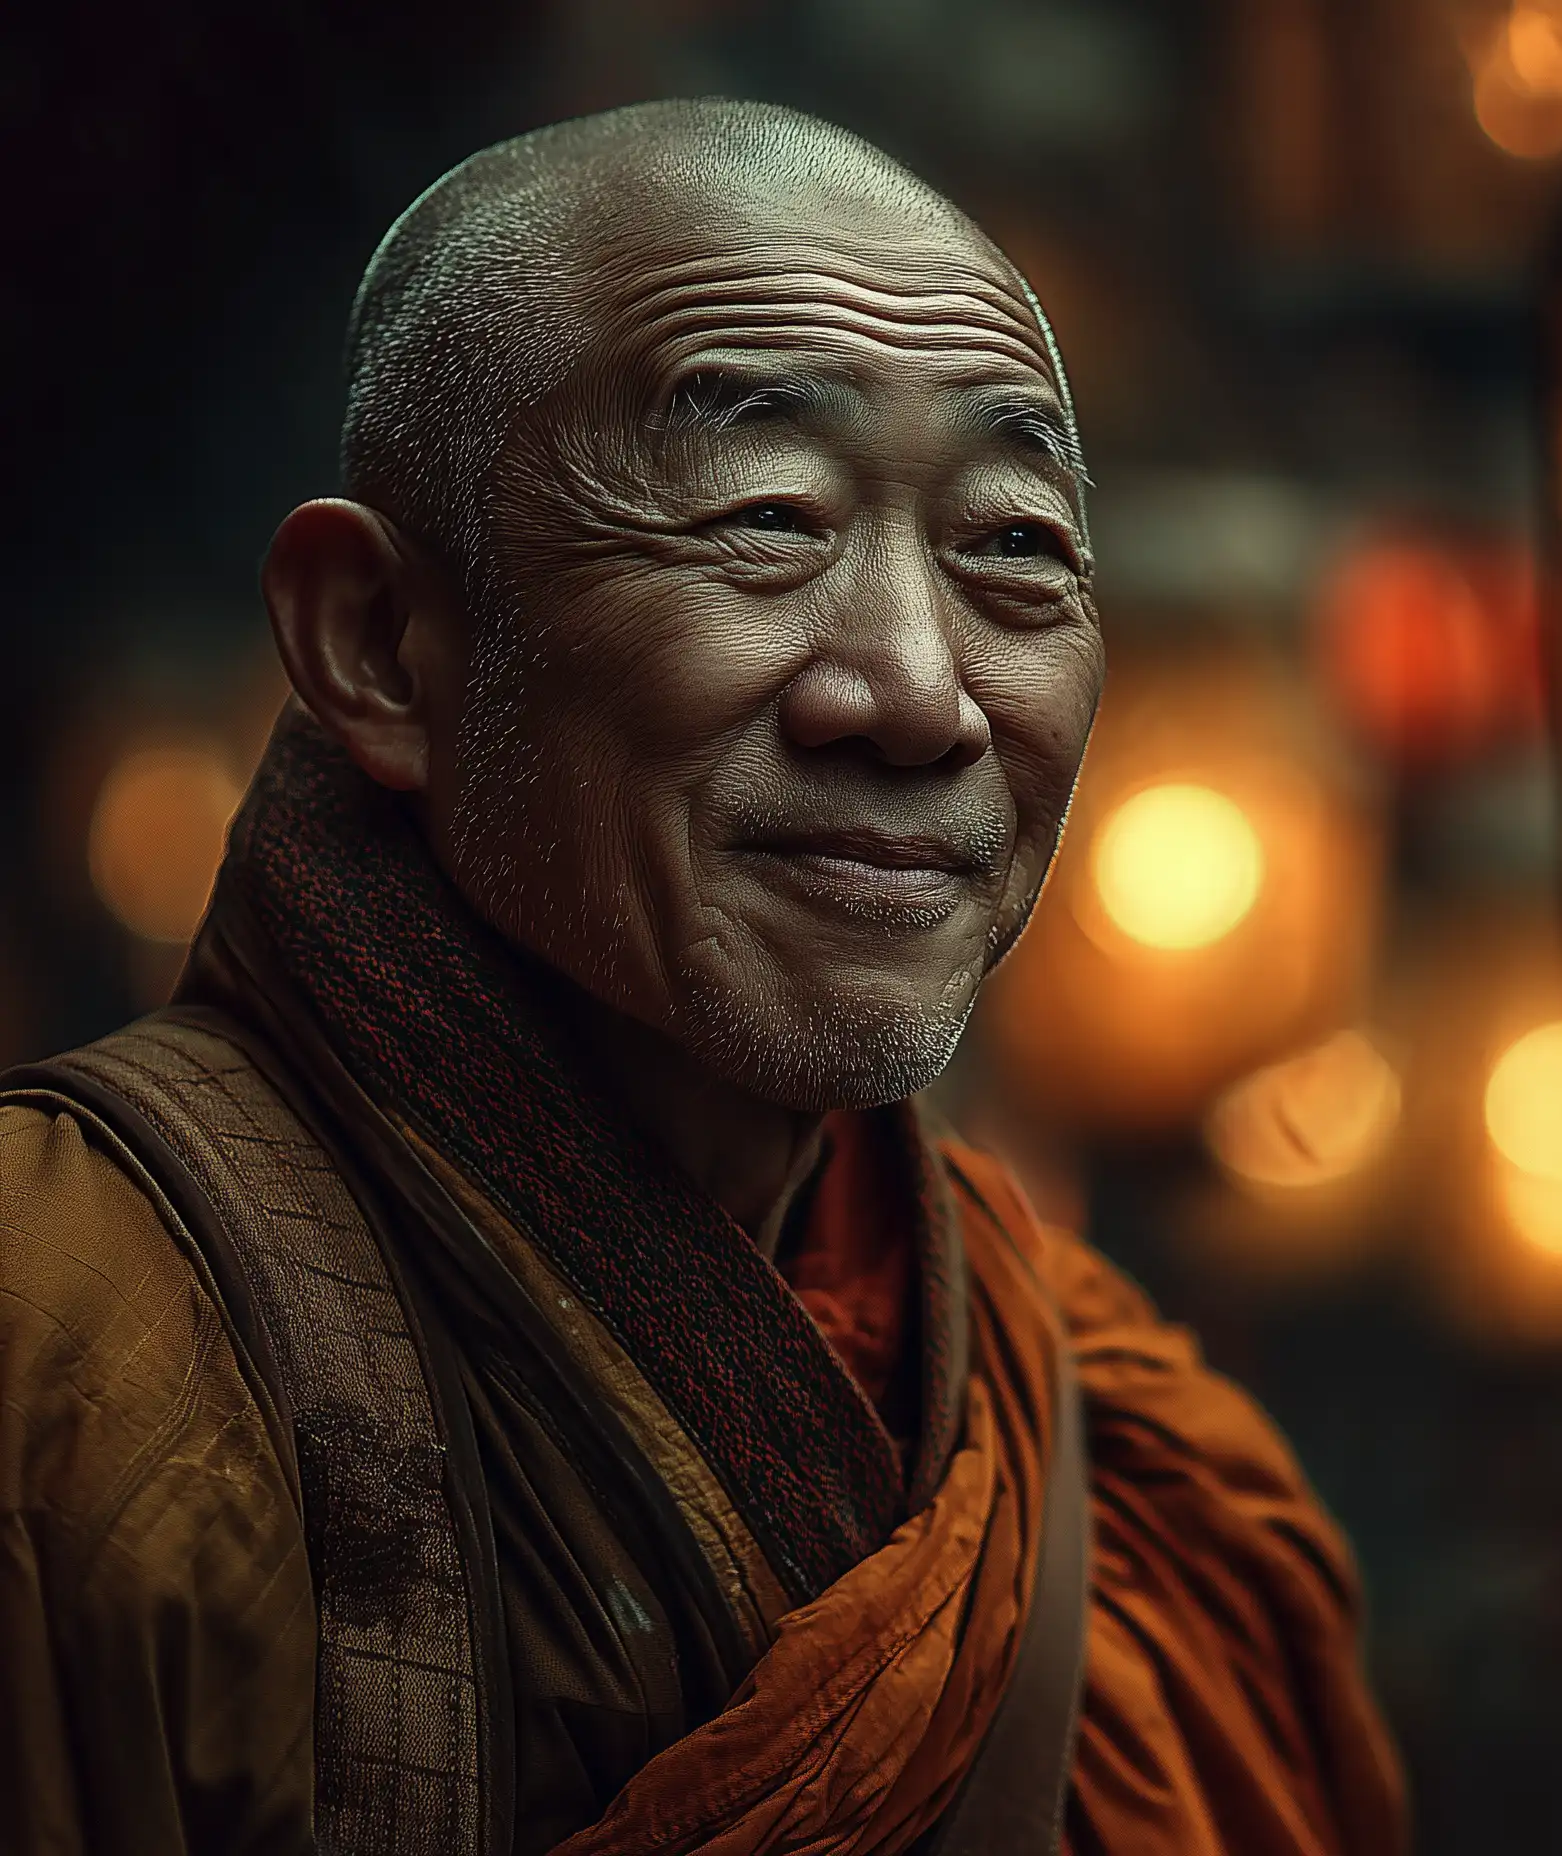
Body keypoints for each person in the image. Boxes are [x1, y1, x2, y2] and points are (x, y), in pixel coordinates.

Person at [0, 99, 1406, 1856]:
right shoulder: (63, 1362)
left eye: (1014, 547)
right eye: (764, 518)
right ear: (377, 641)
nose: (918, 695)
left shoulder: (1125, 1479)